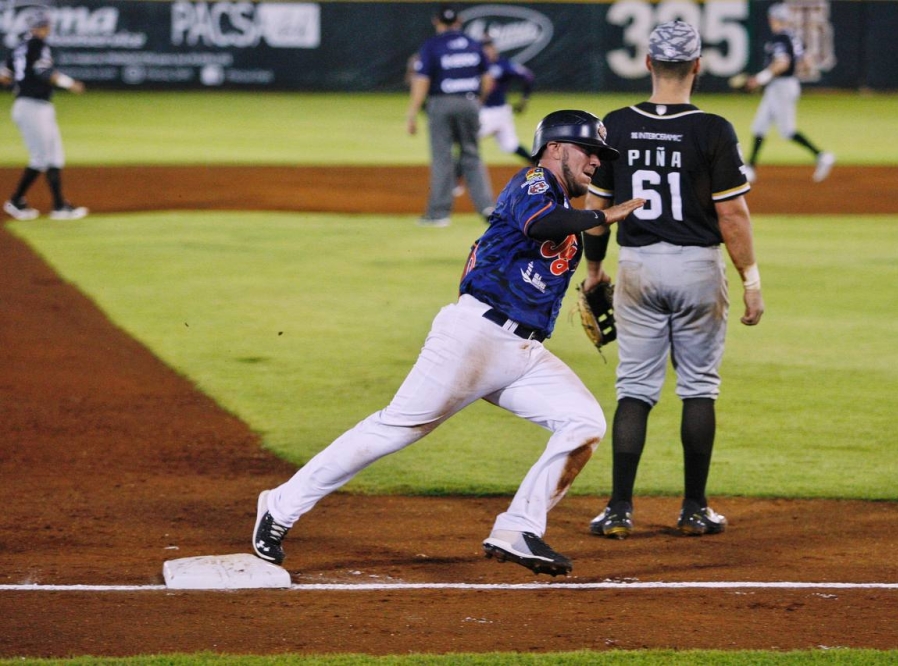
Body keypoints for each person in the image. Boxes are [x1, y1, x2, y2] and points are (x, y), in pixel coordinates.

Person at [252, 110, 645, 576]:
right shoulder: (534, 182)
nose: (598, 162)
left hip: (523, 354)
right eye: (590, 150)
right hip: (474, 338)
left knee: (583, 421)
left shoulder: (566, 209)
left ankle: (517, 528)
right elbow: (543, 224)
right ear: (555, 147)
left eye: (602, 155)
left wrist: (589, 278)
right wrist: (604, 215)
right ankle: (279, 505)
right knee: (395, 429)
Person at [582, 21, 765, 540]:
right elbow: (733, 216)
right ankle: (693, 509)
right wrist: (750, 279)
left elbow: (597, 210)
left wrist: (595, 272)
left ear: (647, 63)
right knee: (699, 388)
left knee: (634, 389)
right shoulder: (714, 128)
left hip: (638, 266)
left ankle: (618, 510)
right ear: (698, 66)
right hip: (697, 268)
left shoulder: (615, 125)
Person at [406, 5, 495, 227]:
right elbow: (488, 78)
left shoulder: (433, 45)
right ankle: (487, 206)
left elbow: (422, 80)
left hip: (442, 103)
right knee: (472, 155)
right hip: (469, 101)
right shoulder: (473, 45)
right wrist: (478, 101)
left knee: (442, 157)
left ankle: (439, 214)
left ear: (437, 22)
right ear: (459, 21)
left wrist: (412, 113)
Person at [0, 10, 88, 221]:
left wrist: (21, 83)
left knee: (54, 156)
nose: (47, 29)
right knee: (41, 158)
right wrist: (70, 83)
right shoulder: (38, 45)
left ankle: (59, 206)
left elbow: (4, 76)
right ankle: (16, 201)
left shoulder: (20, 48)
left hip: (34, 105)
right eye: (46, 26)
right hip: (32, 107)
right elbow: (43, 71)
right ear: (41, 27)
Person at [744, 2, 834, 184]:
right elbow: (807, 62)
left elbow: (782, 63)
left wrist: (760, 79)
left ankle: (822, 156)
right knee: (759, 126)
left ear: (775, 19)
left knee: (787, 131)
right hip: (783, 85)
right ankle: (750, 168)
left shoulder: (780, 38)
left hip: (782, 86)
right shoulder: (793, 37)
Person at [453, 35, 535, 196]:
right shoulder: (475, 65)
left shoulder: (503, 65)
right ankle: (542, 167)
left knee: (474, 143)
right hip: (486, 113)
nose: (487, 50)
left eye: (489, 47)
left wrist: (524, 99)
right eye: (484, 47)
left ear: (494, 48)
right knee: (508, 145)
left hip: (497, 113)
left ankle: (453, 182)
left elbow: (528, 77)